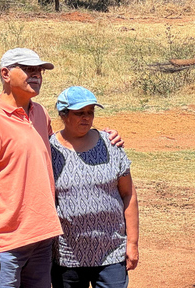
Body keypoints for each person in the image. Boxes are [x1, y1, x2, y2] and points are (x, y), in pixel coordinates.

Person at [0, 48, 62, 288]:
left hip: (42, 235)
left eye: (39, 70)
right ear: (6, 74)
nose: (37, 75)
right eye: (29, 69)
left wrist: (98, 136)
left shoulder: (39, 113)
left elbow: (54, 149)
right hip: (6, 242)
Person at [50, 86, 139, 288]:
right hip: (67, 254)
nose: (86, 118)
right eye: (79, 113)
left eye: (90, 112)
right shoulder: (50, 150)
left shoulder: (110, 145)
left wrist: (132, 243)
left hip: (111, 251)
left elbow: (128, 194)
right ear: (63, 115)